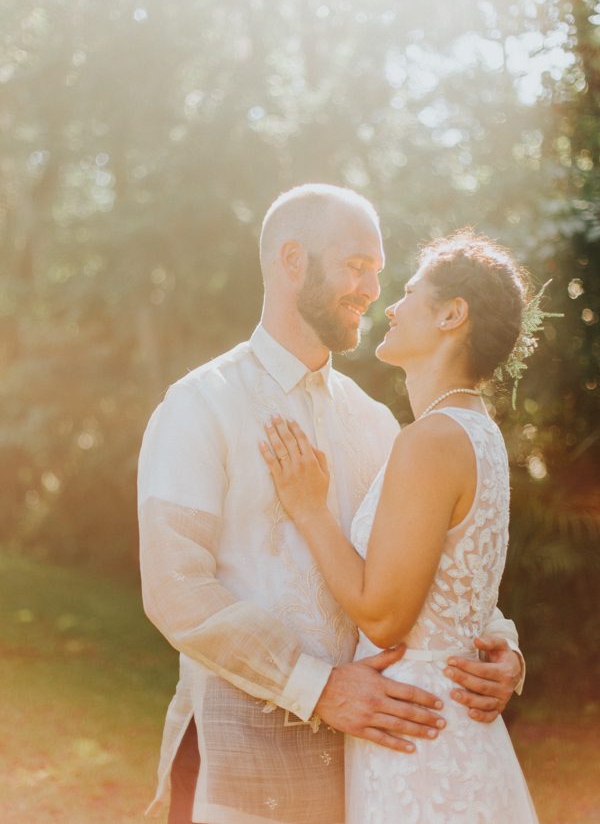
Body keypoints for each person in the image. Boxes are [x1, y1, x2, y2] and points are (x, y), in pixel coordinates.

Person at [137, 185, 525, 824]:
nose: (374, 288)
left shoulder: (377, 424)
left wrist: (503, 648)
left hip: (366, 775)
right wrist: (317, 688)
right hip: (240, 771)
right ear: (292, 261)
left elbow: (420, 565)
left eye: (378, 270)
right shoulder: (200, 403)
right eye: (356, 266)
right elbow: (176, 588)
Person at [260, 228, 538, 823]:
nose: (391, 304)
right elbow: (458, 589)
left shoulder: (431, 440)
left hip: (417, 740)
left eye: (410, 292)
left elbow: (386, 618)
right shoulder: (475, 432)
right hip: (446, 730)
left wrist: (309, 507)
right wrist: (508, 650)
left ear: (451, 314)